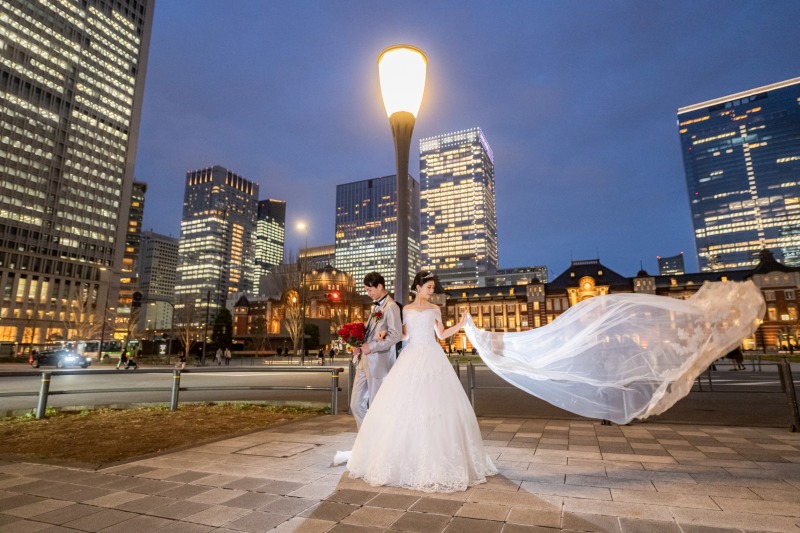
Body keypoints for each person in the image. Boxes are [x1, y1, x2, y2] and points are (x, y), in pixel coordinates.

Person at [340, 271, 497, 492]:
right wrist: (383, 333)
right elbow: (404, 335)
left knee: (435, 404)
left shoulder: (435, 309)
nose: (432, 291)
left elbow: (441, 335)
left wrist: (460, 324)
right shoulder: (406, 309)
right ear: (418, 287)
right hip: (412, 355)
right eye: (429, 287)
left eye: (433, 287)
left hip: (432, 355)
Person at [350, 272, 402, 428]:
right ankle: (366, 438)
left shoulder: (391, 307)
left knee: (376, 406)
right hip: (364, 361)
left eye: (369, 289)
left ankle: (374, 442)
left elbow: (396, 335)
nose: (368, 293)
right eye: (366, 290)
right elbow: (370, 333)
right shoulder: (375, 308)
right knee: (356, 404)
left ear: (380, 286)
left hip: (379, 362)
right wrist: (358, 344)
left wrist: (370, 347)